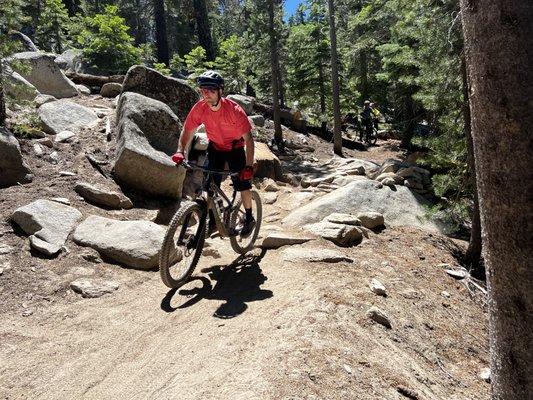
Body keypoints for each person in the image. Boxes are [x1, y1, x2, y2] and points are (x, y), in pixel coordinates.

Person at [172, 70, 256, 237]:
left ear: (220, 91)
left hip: (235, 149)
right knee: (208, 187)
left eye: (211, 90)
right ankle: (212, 221)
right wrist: (180, 151)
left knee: (243, 184)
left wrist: (248, 166)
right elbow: (187, 130)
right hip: (215, 148)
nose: (207, 94)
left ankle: (248, 218)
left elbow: (249, 139)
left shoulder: (234, 110)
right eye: (203, 90)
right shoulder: (200, 108)